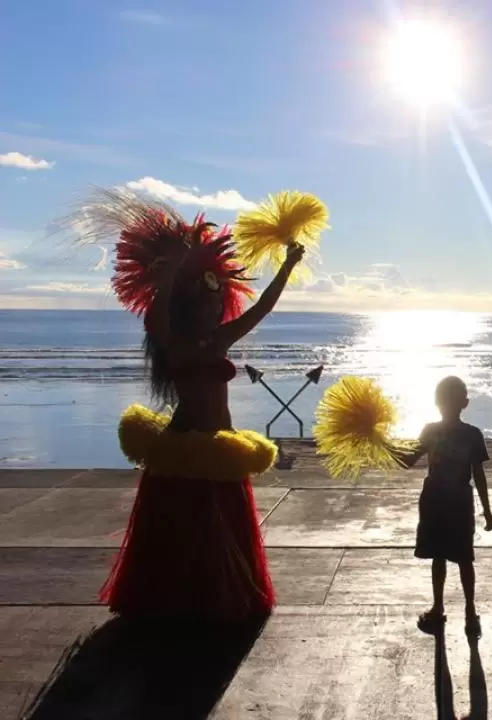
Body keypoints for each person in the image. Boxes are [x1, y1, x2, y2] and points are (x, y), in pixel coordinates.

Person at [90, 192, 305, 621]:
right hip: (186, 445)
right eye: (204, 304)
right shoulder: (176, 344)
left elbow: (262, 308)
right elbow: (156, 318)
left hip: (220, 445)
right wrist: (171, 270)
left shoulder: (221, 339)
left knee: (220, 533)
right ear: (189, 308)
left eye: (216, 303)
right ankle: (176, 604)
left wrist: (287, 266)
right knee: (185, 532)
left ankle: (215, 600)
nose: (212, 310)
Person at [401, 376, 492, 638]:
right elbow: (479, 474)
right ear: (465, 403)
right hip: (460, 502)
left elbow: (407, 461)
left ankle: (438, 607)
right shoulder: (472, 433)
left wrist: (379, 445)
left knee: (438, 557)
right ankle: (469, 612)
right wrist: (487, 509)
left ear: (435, 402)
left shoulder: (430, 430)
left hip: (434, 500)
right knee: (465, 558)